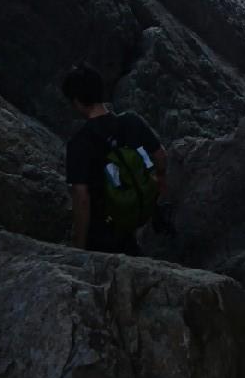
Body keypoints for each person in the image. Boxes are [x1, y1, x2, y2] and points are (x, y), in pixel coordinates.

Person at [62, 64, 167, 254]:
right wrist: (158, 181)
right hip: (135, 214)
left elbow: (81, 197)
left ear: (76, 102)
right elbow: (160, 156)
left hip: (104, 230)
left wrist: (79, 247)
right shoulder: (131, 121)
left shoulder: (79, 143)